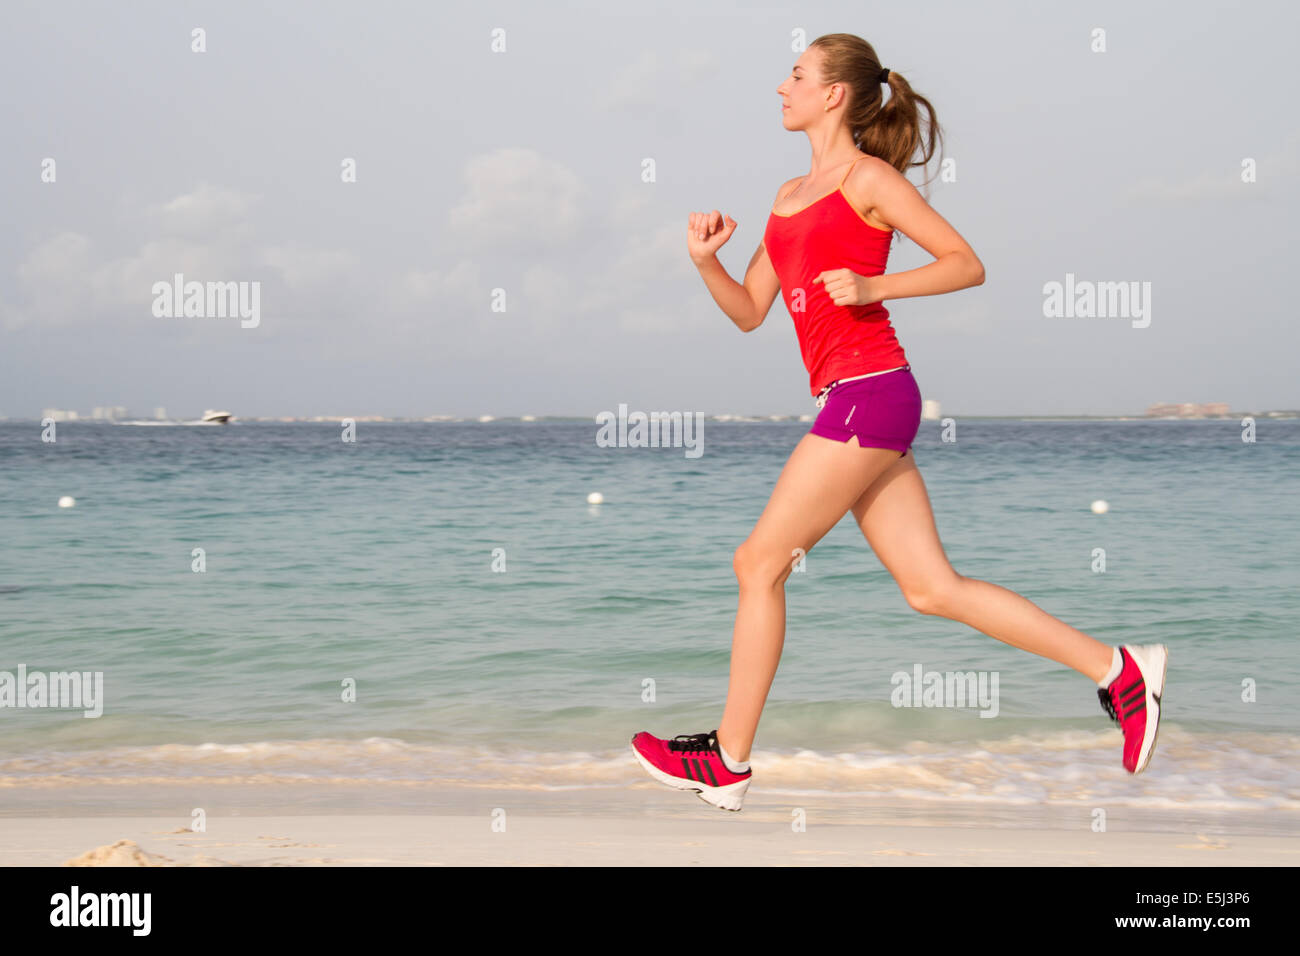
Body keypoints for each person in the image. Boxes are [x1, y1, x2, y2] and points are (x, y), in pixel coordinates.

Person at [630, 34, 1166, 812]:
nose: (782, 87)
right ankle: (1121, 672)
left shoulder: (868, 179)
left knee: (758, 564)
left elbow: (963, 262)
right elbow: (751, 313)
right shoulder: (784, 196)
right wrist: (706, 260)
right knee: (931, 588)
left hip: (871, 391)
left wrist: (877, 284)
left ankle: (727, 759)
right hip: (855, 398)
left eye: (797, 75)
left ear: (835, 94)